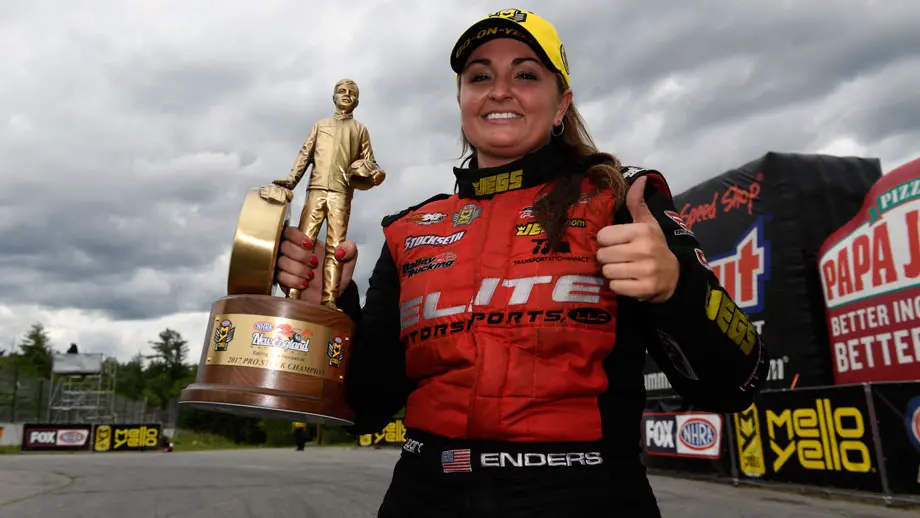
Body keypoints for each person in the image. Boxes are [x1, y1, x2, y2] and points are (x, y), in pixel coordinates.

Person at [274, 8, 768, 517]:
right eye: (480, 76)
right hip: (422, 498)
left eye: (526, 74)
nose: (500, 89)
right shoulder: (408, 229)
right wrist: (329, 309)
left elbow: (740, 380)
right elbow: (365, 406)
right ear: (463, 101)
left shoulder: (619, 199)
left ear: (561, 105)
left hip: (584, 499)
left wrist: (676, 287)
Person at [269, 78, 386, 307]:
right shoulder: (320, 125)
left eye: (351, 93)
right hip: (316, 190)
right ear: (333, 97)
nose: (346, 95)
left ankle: (329, 299)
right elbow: (305, 153)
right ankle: (293, 293)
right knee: (305, 242)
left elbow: (369, 161)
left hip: (341, 195)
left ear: (357, 101)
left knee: (335, 248)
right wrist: (292, 180)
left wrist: (375, 174)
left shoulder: (360, 130)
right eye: (341, 91)